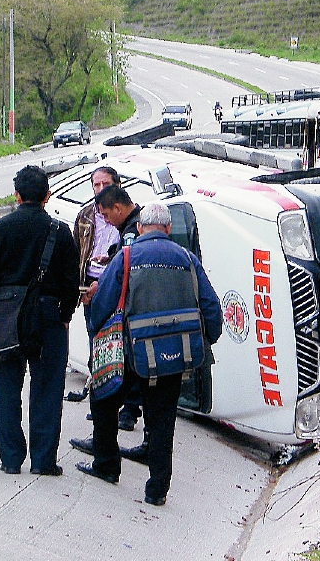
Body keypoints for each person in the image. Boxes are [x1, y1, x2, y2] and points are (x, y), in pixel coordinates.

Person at [77, 202, 223, 506]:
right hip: (172, 354)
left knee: (104, 400)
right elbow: (210, 307)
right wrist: (208, 337)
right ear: (167, 228)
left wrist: (96, 328)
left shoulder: (126, 256)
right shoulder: (187, 258)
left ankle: (106, 465)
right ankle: (157, 490)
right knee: (162, 420)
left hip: (130, 352)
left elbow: (103, 302)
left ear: (141, 228)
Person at [0, 165, 79, 476]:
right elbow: (72, 281)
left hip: (6, 316)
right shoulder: (60, 232)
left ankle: (10, 458)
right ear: (48, 195)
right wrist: (65, 314)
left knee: (7, 387)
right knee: (47, 388)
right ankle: (44, 460)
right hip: (48, 315)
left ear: (17, 196)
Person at [66, 167, 122, 404]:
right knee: (95, 339)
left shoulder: (126, 214)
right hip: (90, 284)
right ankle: (98, 395)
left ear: (117, 185)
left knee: (120, 342)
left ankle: (126, 406)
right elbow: (76, 252)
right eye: (96, 185)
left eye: (105, 184)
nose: (100, 190)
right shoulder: (86, 215)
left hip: (116, 283)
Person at [94, 183, 144, 431]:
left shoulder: (134, 228)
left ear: (117, 207)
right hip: (133, 303)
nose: (106, 220)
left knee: (131, 359)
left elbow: (128, 264)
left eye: (106, 215)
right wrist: (111, 254)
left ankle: (130, 410)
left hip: (134, 305)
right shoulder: (133, 223)